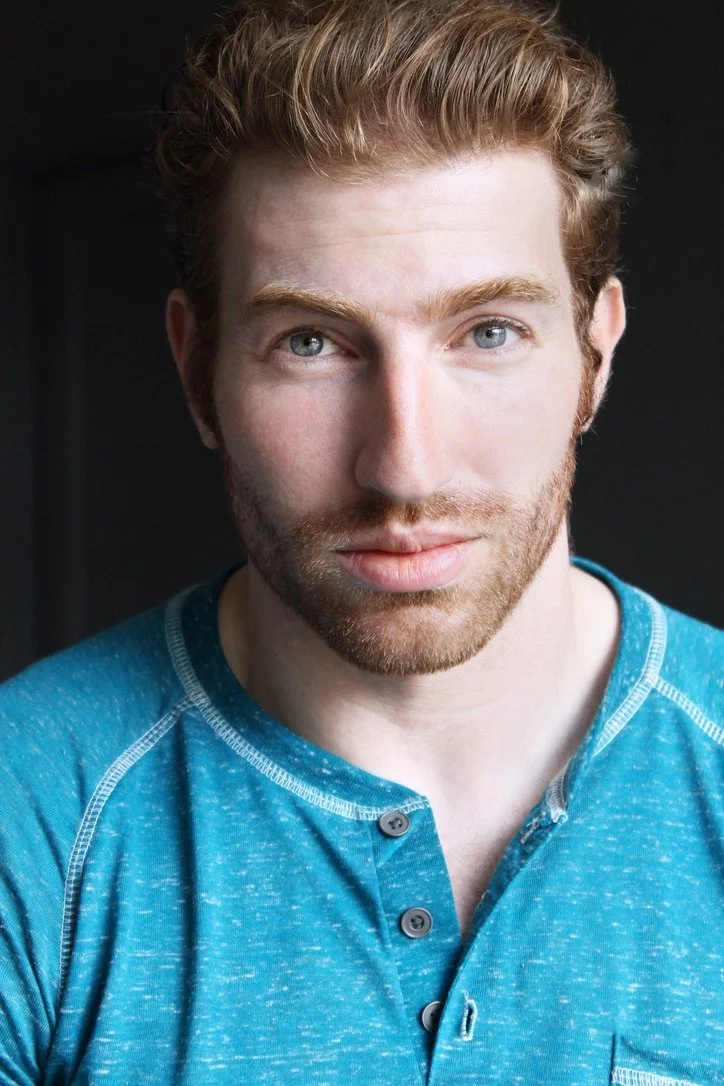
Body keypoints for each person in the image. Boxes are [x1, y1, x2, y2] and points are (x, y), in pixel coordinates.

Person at [1, 0, 722, 1082]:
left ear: (595, 354)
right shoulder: (29, 805)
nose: (404, 468)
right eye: (310, 343)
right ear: (198, 371)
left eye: (488, 333)